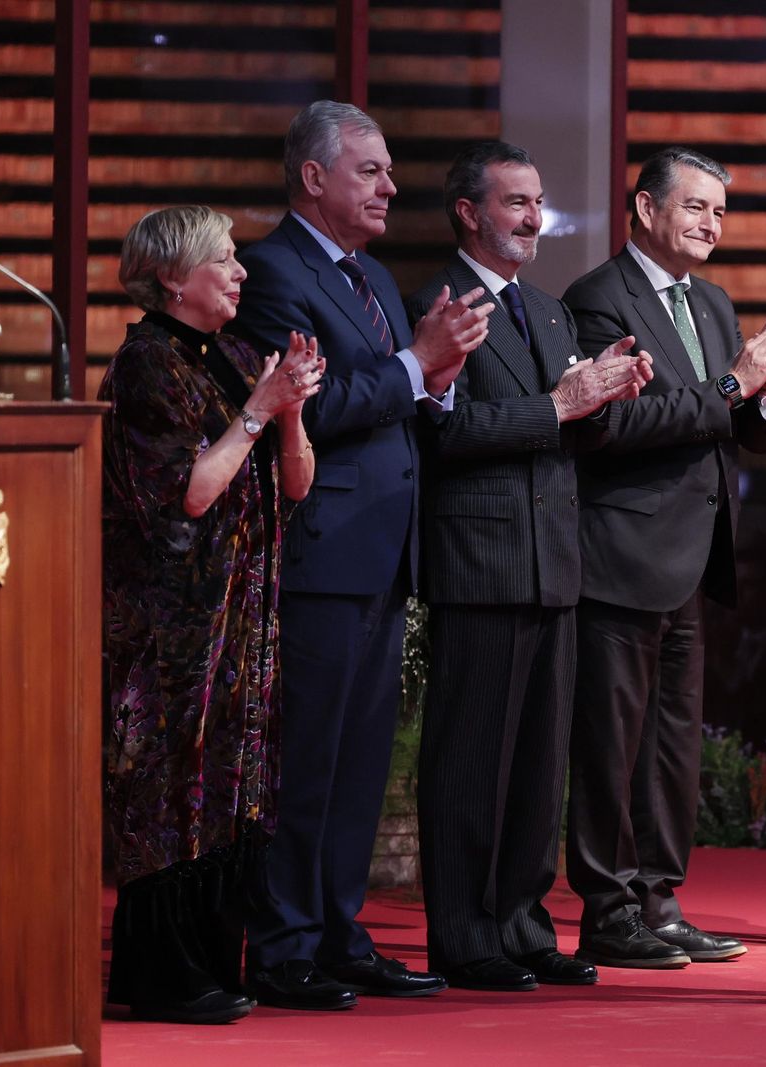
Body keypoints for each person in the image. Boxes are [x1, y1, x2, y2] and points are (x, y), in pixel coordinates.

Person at [231, 100, 490, 1008]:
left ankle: (340, 930)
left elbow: (404, 397)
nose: (391, 186)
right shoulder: (269, 271)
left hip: (387, 551)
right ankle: (284, 943)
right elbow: (310, 408)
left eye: (388, 171)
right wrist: (418, 366)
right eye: (370, 170)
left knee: (358, 763)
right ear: (313, 178)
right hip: (322, 549)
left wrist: (442, 381)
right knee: (306, 760)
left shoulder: (375, 278)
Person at [409, 141, 654, 991]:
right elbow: (442, 433)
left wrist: (605, 395)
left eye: (538, 200)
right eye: (514, 201)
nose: (532, 216)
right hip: (481, 557)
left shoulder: (549, 313)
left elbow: (567, 427)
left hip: (556, 557)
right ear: (470, 212)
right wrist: (559, 404)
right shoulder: (440, 304)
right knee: (472, 758)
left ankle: (520, 921)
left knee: (540, 764)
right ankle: (465, 932)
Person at [561, 146, 766, 969]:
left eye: (720, 212)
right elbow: (611, 425)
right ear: (646, 209)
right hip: (620, 550)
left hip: (694, 557)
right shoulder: (597, 299)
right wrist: (734, 385)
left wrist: (764, 387)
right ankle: (606, 905)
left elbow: (752, 429)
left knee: (672, 746)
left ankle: (658, 898)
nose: (710, 224)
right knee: (610, 742)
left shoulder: (716, 302)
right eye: (695, 207)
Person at [101, 204, 325, 1023]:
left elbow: (294, 484)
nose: (240, 272)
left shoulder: (233, 355)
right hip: (172, 630)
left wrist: (292, 408)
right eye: (223, 260)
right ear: (171, 277)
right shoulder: (145, 365)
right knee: (169, 789)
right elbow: (188, 492)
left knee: (234, 786)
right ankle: (161, 974)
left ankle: (212, 962)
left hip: (242, 620)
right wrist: (261, 410)